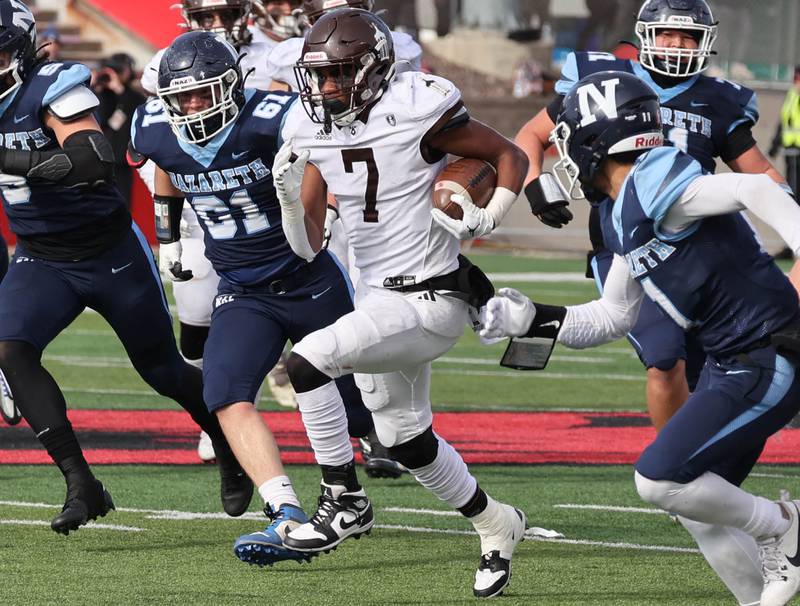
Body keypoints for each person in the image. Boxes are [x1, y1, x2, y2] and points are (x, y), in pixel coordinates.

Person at [483, 70, 800, 606]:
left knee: (657, 480)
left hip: (768, 351)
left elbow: (754, 187)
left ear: (592, 141)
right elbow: (612, 316)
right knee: (694, 503)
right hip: (734, 358)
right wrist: (533, 317)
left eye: (568, 137)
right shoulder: (619, 210)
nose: (562, 152)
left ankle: (783, 526)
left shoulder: (655, 176)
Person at [275, 9, 529, 598]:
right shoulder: (308, 125)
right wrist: (290, 203)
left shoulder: (416, 107)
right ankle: (497, 524)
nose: (327, 88)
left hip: (427, 298)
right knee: (407, 440)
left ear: (373, 70)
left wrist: (490, 215)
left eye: (340, 74)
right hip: (375, 302)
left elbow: (509, 154)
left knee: (308, 362)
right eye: (320, 75)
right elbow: (309, 247)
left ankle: (343, 500)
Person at [130, 29, 385, 567]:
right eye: (182, 97)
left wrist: (322, 209)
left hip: (308, 279)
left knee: (362, 415)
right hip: (242, 289)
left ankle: (356, 490)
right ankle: (286, 513)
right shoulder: (155, 128)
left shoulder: (275, 116)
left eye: (204, 93)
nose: (193, 106)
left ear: (231, 86)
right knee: (223, 393)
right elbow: (168, 173)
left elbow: (323, 166)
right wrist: (169, 236)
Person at [0, 0, 252, 534]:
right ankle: (80, 483)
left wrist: (10, 158)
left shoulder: (50, 84)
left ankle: (227, 443)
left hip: (108, 250)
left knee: (162, 370)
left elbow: (93, 158)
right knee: (9, 348)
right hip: (42, 257)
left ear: (20, 49)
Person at [514, 0, 788, 433]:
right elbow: (531, 133)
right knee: (664, 361)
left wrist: (789, 214)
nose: (677, 44)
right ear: (645, 36)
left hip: (698, 249)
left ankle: (698, 468)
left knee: (713, 370)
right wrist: (533, 183)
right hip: (624, 241)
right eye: (668, 34)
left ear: (705, 42)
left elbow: (763, 176)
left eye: (688, 36)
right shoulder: (600, 79)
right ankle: (675, 468)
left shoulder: (718, 99)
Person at [264, 0, 423, 92]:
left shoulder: (288, 55)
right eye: (328, 20)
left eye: (350, 17)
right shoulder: (405, 46)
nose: (340, 28)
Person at [93, 53, 146, 208]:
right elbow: (101, 119)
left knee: (122, 204)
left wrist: (119, 90)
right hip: (100, 159)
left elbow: (133, 108)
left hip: (121, 160)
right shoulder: (101, 94)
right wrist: (98, 87)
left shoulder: (133, 96)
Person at [769, 65, 800, 259]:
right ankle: (791, 245)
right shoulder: (792, 95)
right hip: (792, 155)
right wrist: (775, 144)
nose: (796, 81)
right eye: (796, 78)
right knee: (792, 198)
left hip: (798, 153)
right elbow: (784, 122)